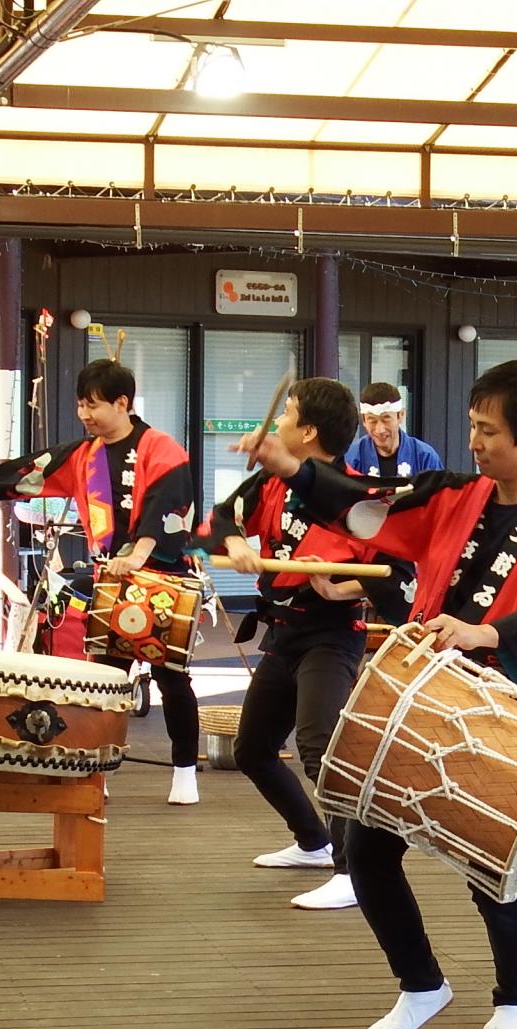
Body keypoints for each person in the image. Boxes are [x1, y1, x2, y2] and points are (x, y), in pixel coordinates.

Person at [245, 359, 517, 1029]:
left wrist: (488, 631)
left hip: (500, 708)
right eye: (471, 426)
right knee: (369, 851)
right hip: (422, 695)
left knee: (489, 863)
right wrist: (292, 471)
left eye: (488, 430)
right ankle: (420, 985)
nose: (474, 441)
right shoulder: (455, 497)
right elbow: (371, 505)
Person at [0, 359, 203, 804]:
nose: (85, 415)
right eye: (80, 406)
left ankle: (185, 771)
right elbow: (21, 473)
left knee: (171, 679)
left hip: (161, 576)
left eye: (93, 406)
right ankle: (97, 772)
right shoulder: (83, 454)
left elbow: (167, 505)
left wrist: (139, 553)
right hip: (110, 578)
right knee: (106, 681)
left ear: (122, 403)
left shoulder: (161, 447)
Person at [204, 377, 407, 912]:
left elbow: (396, 572)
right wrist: (231, 541)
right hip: (285, 631)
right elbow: (219, 518)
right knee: (252, 750)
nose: (278, 425)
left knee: (319, 747)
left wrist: (339, 583)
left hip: (331, 634)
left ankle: (351, 868)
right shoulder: (270, 483)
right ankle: (313, 842)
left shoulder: (352, 495)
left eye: (286, 415)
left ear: (309, 431)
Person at [344, 383, 445, 477]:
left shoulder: (425, 457)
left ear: (400, 415)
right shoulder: (352, 457)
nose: (380, 430)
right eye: (372, 421)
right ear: (364, 420)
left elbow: (440, 495)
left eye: (386, 419)